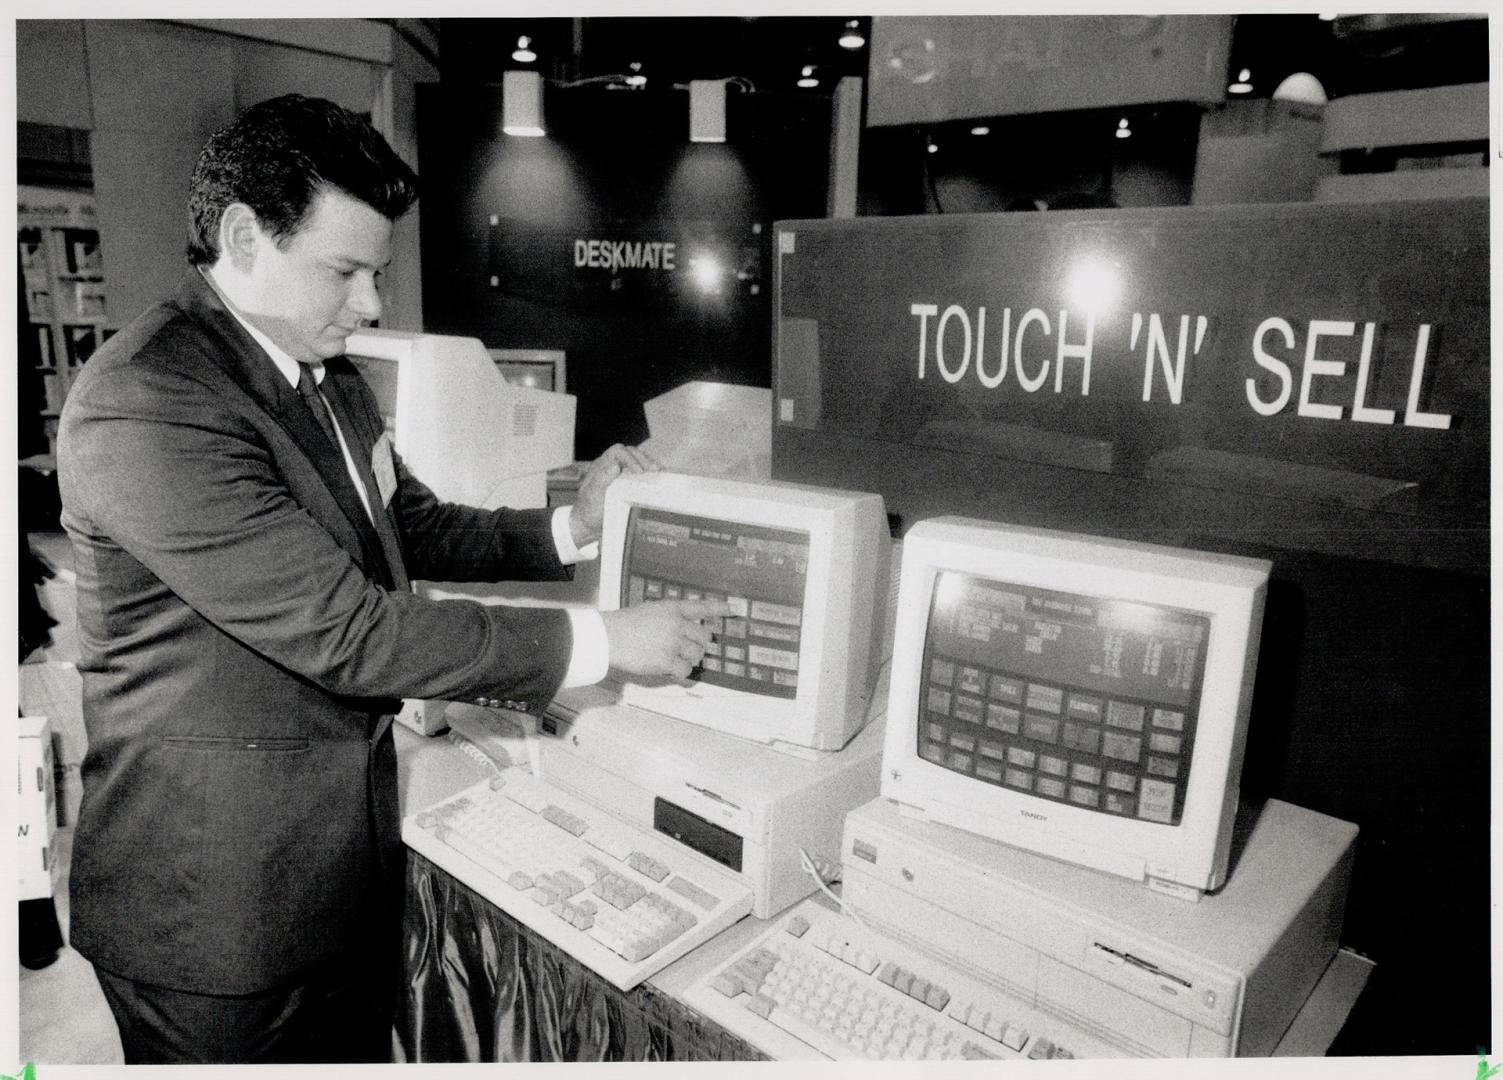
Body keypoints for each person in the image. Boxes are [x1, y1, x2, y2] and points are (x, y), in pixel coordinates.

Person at [56, 93, 729, 1065]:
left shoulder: (323, 376)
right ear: (244, 238)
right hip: (215, 923)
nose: (371, 304)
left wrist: (568, 526)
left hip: (329, 881)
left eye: (374, 271)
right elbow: (349, 630)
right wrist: (604, 642)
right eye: (345, 271)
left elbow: (406, 527)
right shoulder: (151, 402)